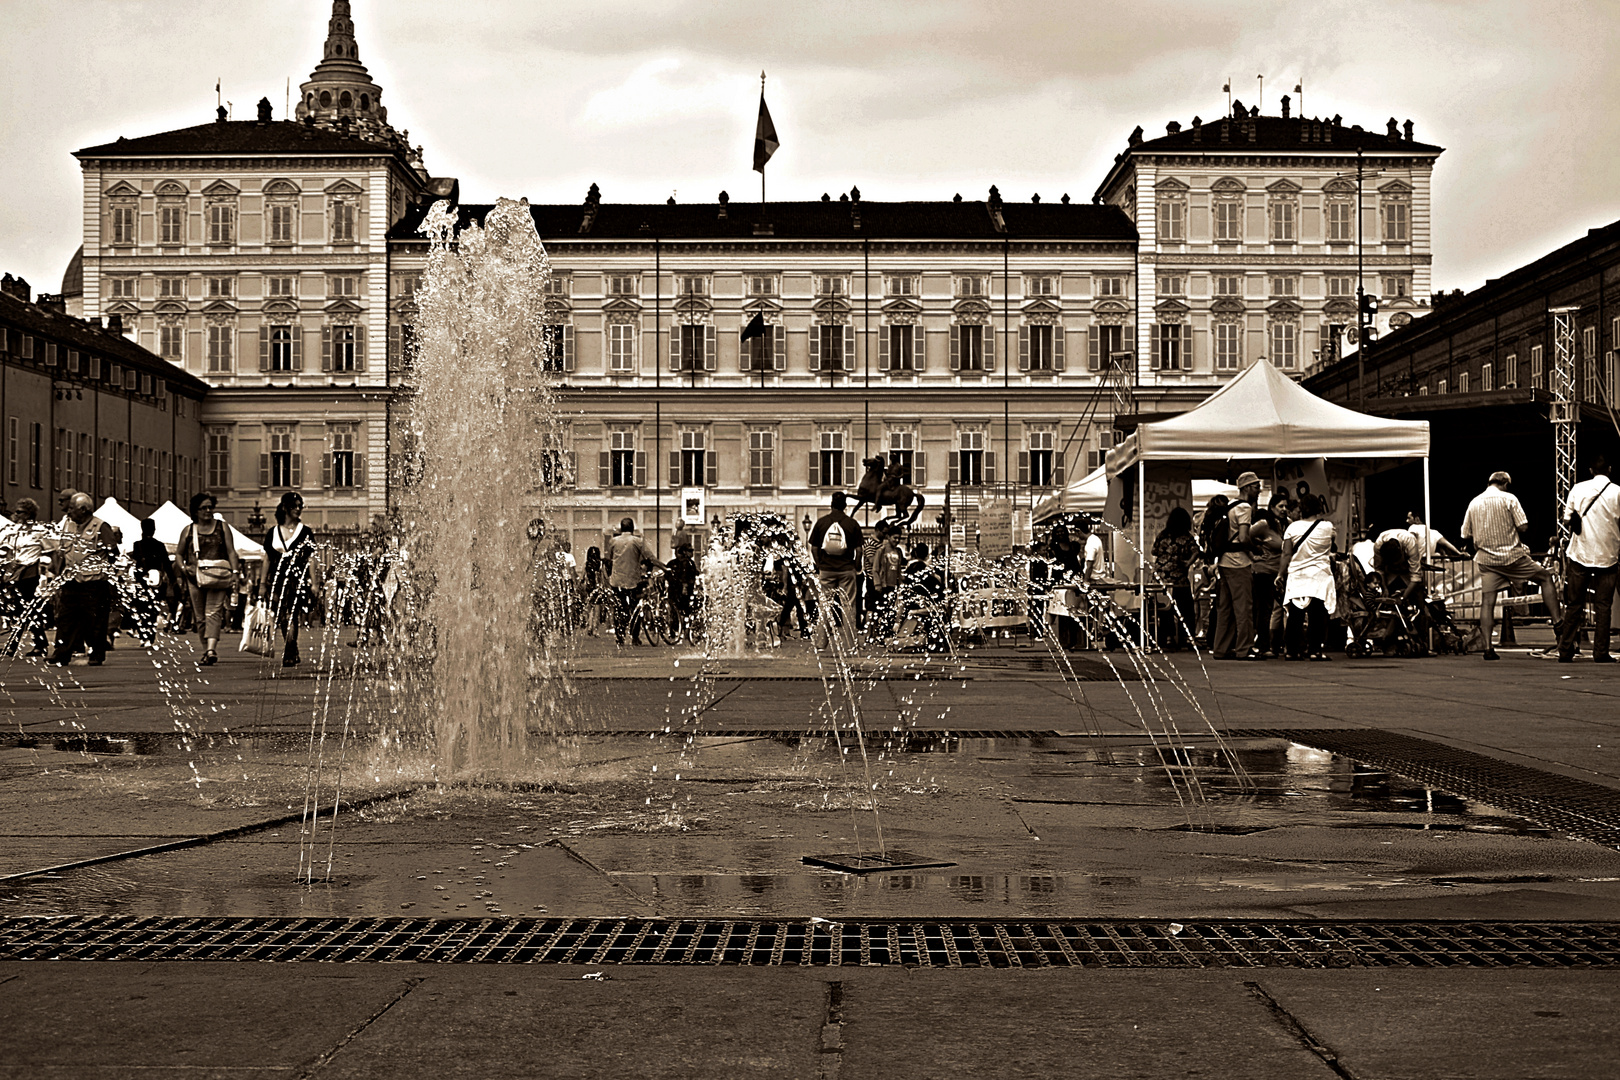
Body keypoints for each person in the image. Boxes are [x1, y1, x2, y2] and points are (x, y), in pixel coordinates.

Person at [1461, 470, 1561, 661]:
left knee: (1487, 601)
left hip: (1487, 560)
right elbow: (1523, 526)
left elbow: (1465, 534)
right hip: (1512, 557)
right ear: (1505, 483)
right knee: (1544, 577)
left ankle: (1488, 648)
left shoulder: (1474, 502)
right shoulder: (1509, 499)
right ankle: (1558, 624)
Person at [1556, 456, 1620, 664]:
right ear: (1609, 470)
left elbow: (1567, 519)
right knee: (1603, 606)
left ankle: (1565, 650)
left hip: (1579, 554)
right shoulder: (1618, 492)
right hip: (1608, 555)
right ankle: (1600, 652)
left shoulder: (1578, 488)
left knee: (1574, 604)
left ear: (1591, 470)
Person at [47, 493, 118, 667]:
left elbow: (113, 553)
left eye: (72, 508)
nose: (68, 512)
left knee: (94, 620)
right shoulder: (69, 526)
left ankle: (96, 653)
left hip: (93, 583)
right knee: (65, 618)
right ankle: (62, 653)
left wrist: (100, 566)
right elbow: (62, 552)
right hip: (72, 581)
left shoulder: (100, 526)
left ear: (84, 510)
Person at [176, 492, 240, 665]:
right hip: (194, 577)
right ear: (195, 511)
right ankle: (206, 650)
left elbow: (231, 551)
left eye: (210, 507)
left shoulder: (222, 527)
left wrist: (235, 573)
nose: (208, 511)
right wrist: (184, 569)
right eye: (203, 508)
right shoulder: (189, 530)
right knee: (200, 617)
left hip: (219, 576)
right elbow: (179, 554)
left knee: (214, 612)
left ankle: (211, 649)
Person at [259, 492, 315, 667]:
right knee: (283, 616)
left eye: (300, 506)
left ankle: (290, 651)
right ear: (285, 508)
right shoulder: (273, 532)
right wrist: (261, 584)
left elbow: (310, 559)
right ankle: (292, 647)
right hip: (276, 581)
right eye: (294, 506)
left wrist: (314, 582)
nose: (298, 509)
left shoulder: (305, 532)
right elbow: (267, 559)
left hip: (296, 581)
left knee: (291, 615)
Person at [1280, 493, 1338, 660]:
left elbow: (1286, 553)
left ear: (1301, 509)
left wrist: (1280, 574)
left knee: (1296, 614)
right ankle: (1314, 650)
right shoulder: (1327, 527)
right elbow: (1332, 542)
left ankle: (1291, 650)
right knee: (1318, 614)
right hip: (1319, 575)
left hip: (1297, 574)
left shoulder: (1292, 528)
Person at [1212, 471, 1261, 659]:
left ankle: (1221, 648)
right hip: (1238, 563)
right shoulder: (1244, 508)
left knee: (1224, 608)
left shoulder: (1230, 505)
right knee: (1243, 608)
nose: (1259, 490)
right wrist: (1254, 550)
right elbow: (1242, 537)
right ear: (1247, 487)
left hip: (1224, 562)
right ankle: (1244, 648)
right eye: (1256, 486)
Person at [808, 491, 863, 650]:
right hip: (847, 569)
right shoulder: (852, 524)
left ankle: (820, 644)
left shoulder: (822, 523)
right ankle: (851, 645)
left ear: (831, 504)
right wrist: (856, 566)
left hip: (826, 569)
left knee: (825, 605)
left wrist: (820, 565)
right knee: (849, 606)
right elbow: (859, 550)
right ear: (845, 506)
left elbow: (814, 548)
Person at [604, 517, 663, 646]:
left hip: (616, 581)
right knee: (636, 608)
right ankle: (635, 637)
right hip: (633, 581)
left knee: (619, 609)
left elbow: (608, 559)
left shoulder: (613, 541)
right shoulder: (637, 541)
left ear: (621, 528)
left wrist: (609, 575)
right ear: (632, 528)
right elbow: (651, 558)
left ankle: (620, 637)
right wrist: (664, 567)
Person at [2, 500, 50, 657]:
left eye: (19, 512)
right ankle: (37, 643)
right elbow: (7, 549)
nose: (15, 515)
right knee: (21, 611)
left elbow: (53, 550)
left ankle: (18, 644)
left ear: (28, 514)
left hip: (30, 574)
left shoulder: (39, 531)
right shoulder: (13, 530)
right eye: (16, 512)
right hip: (15, 573)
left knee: (24, 610)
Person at [1152, 506, 1199, 650]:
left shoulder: (1163, 535)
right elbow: (1196, 551)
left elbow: (1154, 551)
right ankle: (1187, 637)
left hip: (1161, 578)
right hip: (1178, 579)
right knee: (1186, 609)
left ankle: (1168, 638)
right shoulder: (1186, 537)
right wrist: (1188, 562)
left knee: (1166, 609)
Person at [130, 519, 174, 645]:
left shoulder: (137, 545)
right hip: (156, 581)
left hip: (142, 581)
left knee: (141, 608)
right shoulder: (159, 545)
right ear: (154, 529)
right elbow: (166, 563)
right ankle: (150, 635)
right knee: (153, 608)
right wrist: (171, 578)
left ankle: (143, 634)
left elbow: (136, 563)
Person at [666, 543, 699, 640]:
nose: (692, 553)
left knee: (675, 611)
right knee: (685, 610)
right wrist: (685, 586)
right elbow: (686, 576)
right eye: (690, 551)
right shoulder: (687, 563)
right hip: (682, 590)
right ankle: (685, 630)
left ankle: (676, 630)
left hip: (674, 590)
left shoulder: (676, 563)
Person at [581, 546, 606, 636]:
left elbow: (582, 576)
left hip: (589, 587)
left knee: (590, 607)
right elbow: (604, 576)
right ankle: (595, 629)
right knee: (597, 608)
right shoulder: (600, 564)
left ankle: (589, 626)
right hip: (597, 587)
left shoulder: (586, 564)